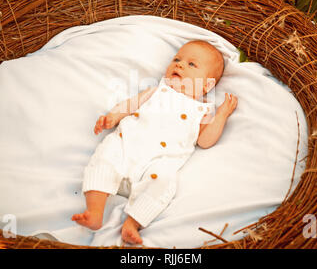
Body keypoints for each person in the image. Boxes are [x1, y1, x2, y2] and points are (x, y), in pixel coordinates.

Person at [71, 40, 238, 245]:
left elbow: (205, 141)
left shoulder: (202, 110)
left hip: (157, 164)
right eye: (177, 59)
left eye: (191, 64)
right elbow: (131, 105)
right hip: (126, 147)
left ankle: (133, 222)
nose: (179, 64)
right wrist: (113, 117)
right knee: (105, 156)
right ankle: (95, 212)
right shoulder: (157, 91)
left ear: (207, 85)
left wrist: (222, 114)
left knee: (165, 182)